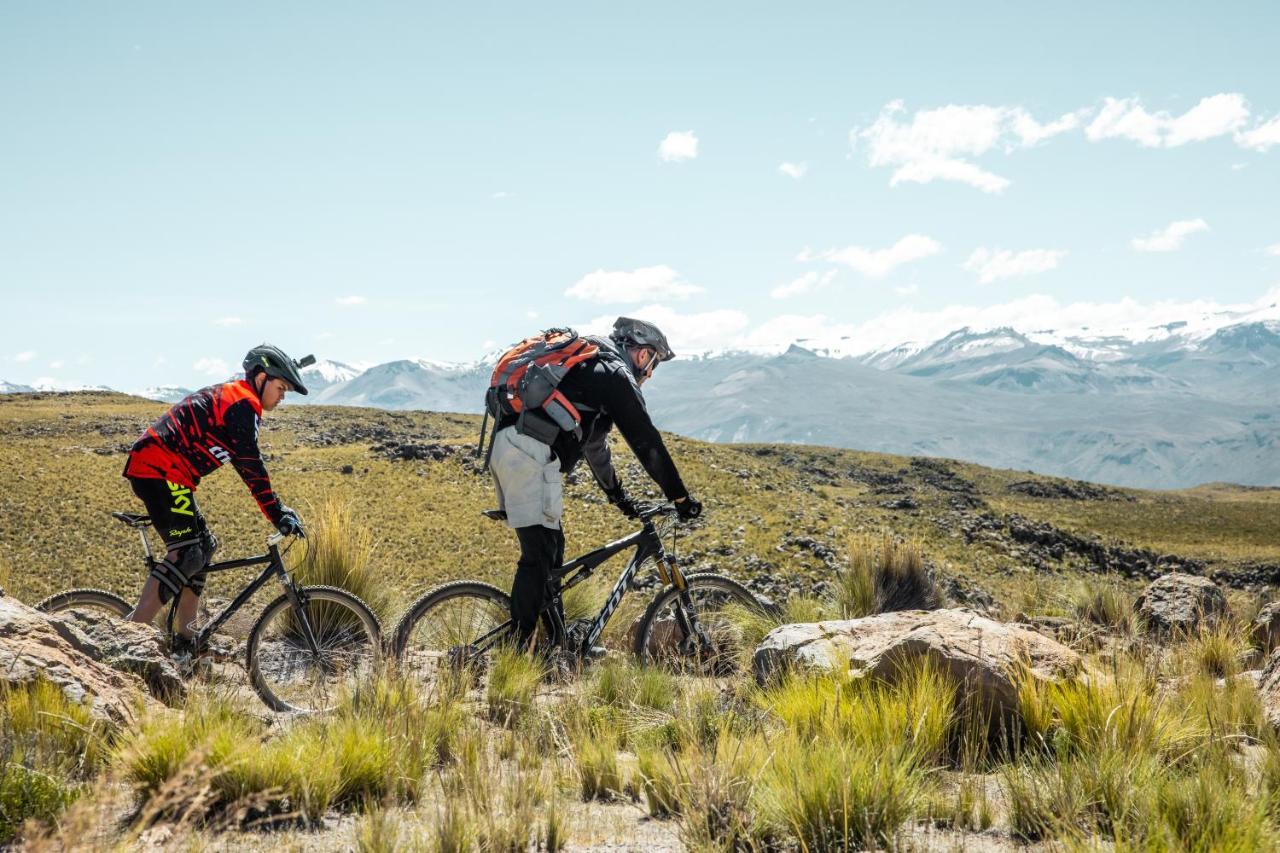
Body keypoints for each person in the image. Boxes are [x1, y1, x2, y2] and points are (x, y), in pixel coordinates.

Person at [489, 317, 702, 652]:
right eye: (653, 363)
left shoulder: (589, 370)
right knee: (539, 557)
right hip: (529, 454)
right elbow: (646, 441)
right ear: (643, 355)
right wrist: (679, 496)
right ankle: (513, 658)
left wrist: (618, 496)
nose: (649, 373)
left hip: (513, 449)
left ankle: (555, 649)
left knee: (551, 554)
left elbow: (594, 447)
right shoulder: (614, 375)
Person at [121, 344, 309, 655]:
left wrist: (275, 509)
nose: (282, 396)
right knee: (186, 554)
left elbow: (244, 464)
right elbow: (251, 465)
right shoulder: (242, 402)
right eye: (281, 388)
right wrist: (277, 513)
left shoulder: (238, 399)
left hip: (170, 473)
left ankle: (185, 640)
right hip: (160, 469)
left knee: (203, 548)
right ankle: (127, 639)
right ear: (261, 378)